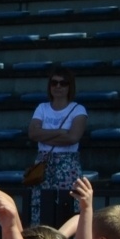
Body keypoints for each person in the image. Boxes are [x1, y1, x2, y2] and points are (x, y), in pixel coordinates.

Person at [26, 68, 87, 224]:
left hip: (68, 164)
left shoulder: (78, 109)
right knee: (40, 207)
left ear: (69, 86)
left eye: (63, 83)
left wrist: (44, 135)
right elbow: (33, 133)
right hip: (43, 163)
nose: (58, 86)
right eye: (54, 83)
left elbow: (73, 137)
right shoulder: (42, 108)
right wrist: (60, 132)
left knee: (67, 208)